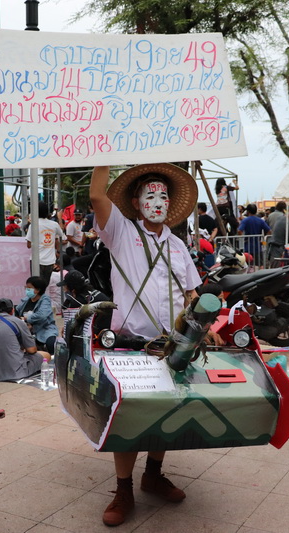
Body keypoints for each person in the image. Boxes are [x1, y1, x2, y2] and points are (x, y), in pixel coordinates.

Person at [90, 163, 201, 526]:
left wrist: (201, 327)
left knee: (165, 412)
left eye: (164, 195)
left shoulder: (179, 244)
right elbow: (95, 195)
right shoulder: (120, 232)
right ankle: (123, 488)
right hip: (130, 346)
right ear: (136, 203)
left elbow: (191, 294)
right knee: (128, 415)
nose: (159, 202)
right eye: (150, 195)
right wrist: (104, 151)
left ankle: (153, 474)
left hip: (170, 346)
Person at [0, 298, 49, 381]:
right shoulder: (18, 322)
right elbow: (32, 350)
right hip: (14, 372)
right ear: (12, 311)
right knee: (46, 355)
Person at [26, 202, 66, 286]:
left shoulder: (33, 225)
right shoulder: (54, 225)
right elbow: (62, 236)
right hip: (50, 261)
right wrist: (59, 219)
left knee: (35, 286)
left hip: (36, 261)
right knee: (44, 286)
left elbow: (28, 245)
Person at [15, 276, 58, 354]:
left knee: (51, 342)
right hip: (25, 331)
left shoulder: (45, 300)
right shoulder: (25, 300)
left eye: (29, 288)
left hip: (44, 329)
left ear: (38, 290)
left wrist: (26, 319)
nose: (27, 290)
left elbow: (42, 315)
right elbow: (17, 312)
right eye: (26, 287)